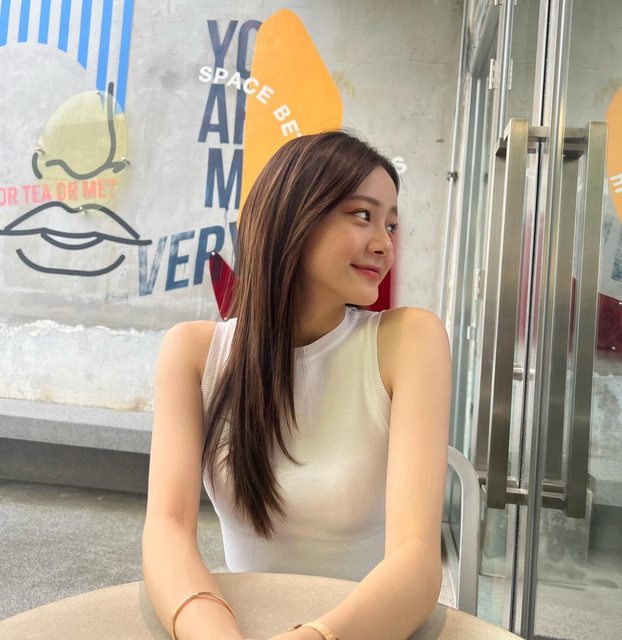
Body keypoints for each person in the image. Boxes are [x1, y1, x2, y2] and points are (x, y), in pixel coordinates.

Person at [142, 130, 451, 640]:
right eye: (363, 215)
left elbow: (417, 559)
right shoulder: (193, 353)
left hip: (370, 626)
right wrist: (213, 632)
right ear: (294, 216)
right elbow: (166, 529)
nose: (384, 243)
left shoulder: (409, 340)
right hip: (239, 621)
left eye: (391, 225)